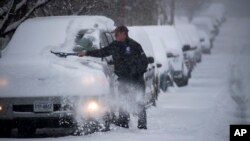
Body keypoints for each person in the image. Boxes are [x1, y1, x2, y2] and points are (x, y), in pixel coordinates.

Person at [77, 25, 148, 129]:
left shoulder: (135, 45)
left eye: (117, 34)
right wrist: (86, 53)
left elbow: (144, 62)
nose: (115, 36)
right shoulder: (115, 45)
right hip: (124, 79)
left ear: (124, 34)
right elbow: (102, 52)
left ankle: (142, 125)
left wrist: (137, 73)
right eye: (114, 34)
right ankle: (123, 122)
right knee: (123, 100)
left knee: (138, 101)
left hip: (137, 79)